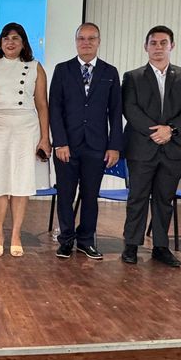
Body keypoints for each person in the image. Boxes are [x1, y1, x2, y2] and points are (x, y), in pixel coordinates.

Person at [121, 25, 181, 267]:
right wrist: (156, 132)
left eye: (163, 43)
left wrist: (171, 130)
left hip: (174, 148)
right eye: (153, 43)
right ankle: (131, 245)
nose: (158, 47)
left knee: (164, 199)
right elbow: (130, 109)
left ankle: (160, 247)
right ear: (145, 47)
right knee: (137, 197)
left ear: (172, 46)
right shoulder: (132, 77)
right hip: (141, 147)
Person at [0, 22, 51, 257]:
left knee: (20, 184)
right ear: (0, 43)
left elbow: (42, 105)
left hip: (26, 128)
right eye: (6, 38)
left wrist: (44, 138)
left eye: (15, 38)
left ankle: (16, 234)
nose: (10, 42)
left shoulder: (35, 67)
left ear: (23, 43)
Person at [49, 23, 123, 260]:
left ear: (98, 41)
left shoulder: (110, 72)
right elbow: (54, 108)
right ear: (76, 41)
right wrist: (60, 142)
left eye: (91, 38)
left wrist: (114, 146)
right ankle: (66, 240)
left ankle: (86, 241)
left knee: (90, 196)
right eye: (82, 38)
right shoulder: (63, 70)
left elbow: (116, 112)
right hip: (67, 147)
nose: (86, 42)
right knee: (66, 195)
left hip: (96, 146)